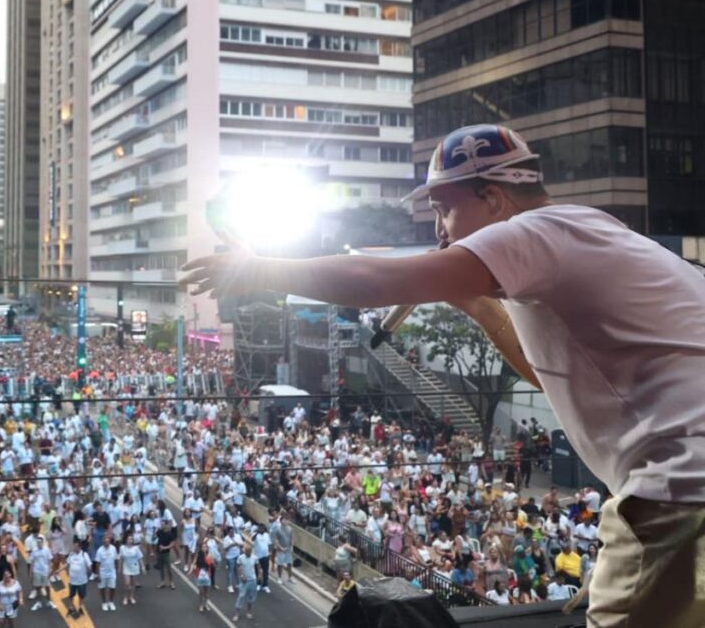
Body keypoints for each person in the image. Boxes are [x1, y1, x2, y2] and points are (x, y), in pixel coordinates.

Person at [180, 122, 705, 627]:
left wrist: (261, 268)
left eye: (443, 209)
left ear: (494, 199)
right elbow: (545, 374)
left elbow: (370, 280)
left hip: (679, 487)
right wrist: (474, 304)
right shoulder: (577, 232)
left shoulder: (534, 233)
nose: (437, 230)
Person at [232, 544, 260, 622]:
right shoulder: (241, 558)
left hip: (252, 580)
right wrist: (241, 575)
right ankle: (237, 613)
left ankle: (248, 612)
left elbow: (258, 566)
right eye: (247, 552)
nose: (248, 553)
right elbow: (237, 566)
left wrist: (259, 574)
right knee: (241, 596)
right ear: (245, 551)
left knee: (251, 597)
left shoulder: (254, 558)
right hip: (244, 580)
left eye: (249, 552)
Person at [65, 539, 92, 618]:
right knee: (71, 595)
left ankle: (80, 607)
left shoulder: (84, 555)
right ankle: (71, 608)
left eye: (76, 546)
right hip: (72, 580)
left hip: (81, 580)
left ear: (79, 547)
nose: (74, 548)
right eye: (74, 546)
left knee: (81, 595)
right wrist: (58, 570)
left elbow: (89, 565)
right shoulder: (71, 554)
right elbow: (67, 564)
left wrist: (89, 572)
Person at [95, 530, 119, 611]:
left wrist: (116, 569)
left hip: (112, 572)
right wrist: (98, 574)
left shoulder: (113, 548)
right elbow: (97, 563)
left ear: (110, 540)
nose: (106, 541)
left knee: (112, 588)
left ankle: (111, 602)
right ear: (103, 541)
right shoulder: (99, 550)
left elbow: (116, 559)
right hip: (102, 572)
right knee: (102, 588)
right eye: (105, 539)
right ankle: (104, 602)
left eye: (108, 539)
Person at [119, 532, 144, 606]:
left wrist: (142, 566)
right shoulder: (122, 547)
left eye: (131, 539)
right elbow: (121, 558)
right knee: (127, 583)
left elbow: (140, 558)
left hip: (134, 567)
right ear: (126, 540)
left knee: (133, 584)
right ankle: (126, 597)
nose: (130, 540)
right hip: (126, 567)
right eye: (129, 539)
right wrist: (119, 568)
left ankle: (131, 597)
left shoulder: (136, 548)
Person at [28, 535, 53, 611]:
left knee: (47, 587)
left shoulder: (47, 550)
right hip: (37, 571)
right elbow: (32, 562)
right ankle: (39, 603)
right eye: (38, 542)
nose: (39, 543)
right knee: (38, 587)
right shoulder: (34, 550)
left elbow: (49, 561)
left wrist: (50, 570)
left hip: (45, 571)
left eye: (40, 542)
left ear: (43, 542)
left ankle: (49, 601)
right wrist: (30, 572)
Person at [156, 518, 177, 589]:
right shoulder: (159, 532)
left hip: (166, 553)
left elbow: (172, 544)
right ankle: (162, 582)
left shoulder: (169, 534)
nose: (161, 525)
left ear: (165, 525)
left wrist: (165, 547)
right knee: (161, 568)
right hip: (159, 552)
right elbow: (156, 538)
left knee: (168, 568)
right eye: (161, 524)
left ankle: (171, 582)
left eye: (162, 524)